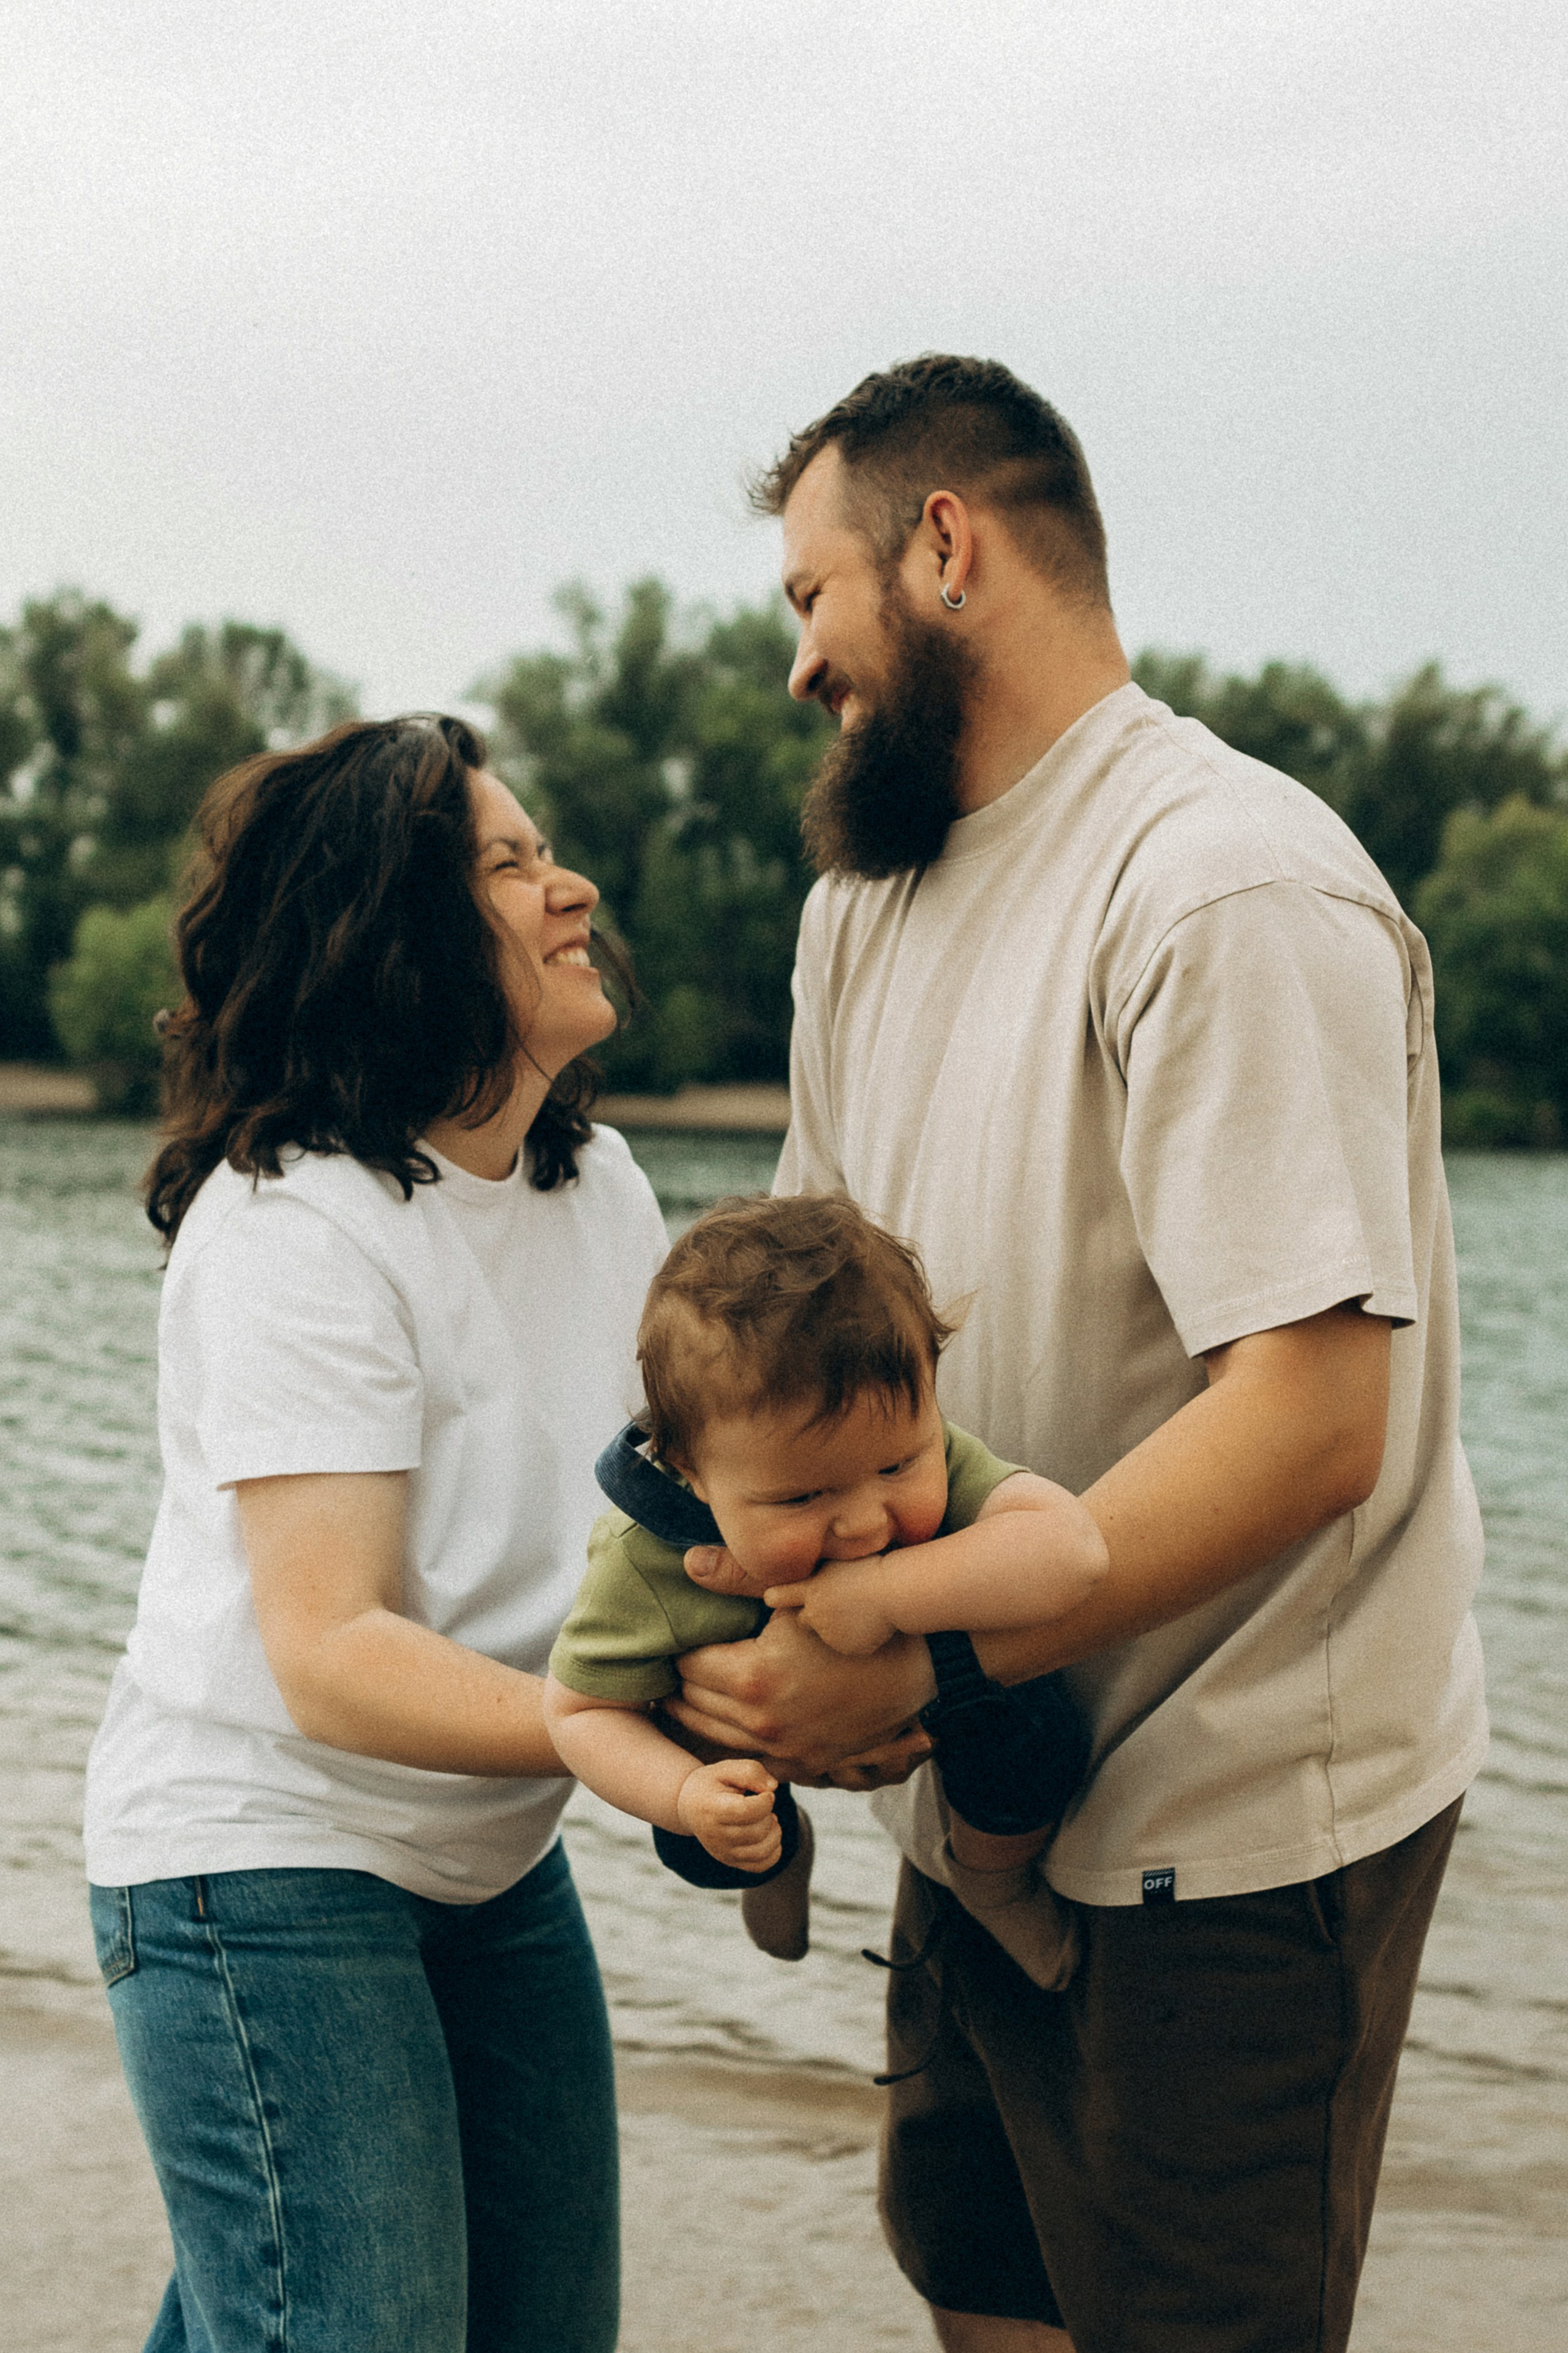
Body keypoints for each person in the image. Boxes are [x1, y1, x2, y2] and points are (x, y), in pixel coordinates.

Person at [659, 356, 1488, 2353]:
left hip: (1232, 1836)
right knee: (991, 2301)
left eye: (810, 600)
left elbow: (1309, 1430)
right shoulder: (869, 906)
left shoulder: (1224, 881)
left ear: (943, 548)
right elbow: (791, 1336)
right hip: (979, 1804)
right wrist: (724, 1642)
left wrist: (903, 1642)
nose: (799, 668)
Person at [82, 715, 671, 2353]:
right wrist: (619, 1737)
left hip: (485, 1852)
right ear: (394, 929)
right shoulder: (296, 1225)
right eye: (514, 863)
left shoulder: (603, 1191)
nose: (573, 892)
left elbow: (676, 1523)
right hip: (254, 1854)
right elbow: (332, 1650)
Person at [543, 1192, 1104, 1978]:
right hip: (740, 1742)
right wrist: (685, 1794)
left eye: (897, 1467)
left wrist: (885, 1593)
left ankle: (990, 1877)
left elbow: (1072, 1549)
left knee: (1040, 1732)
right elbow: (577, 1711)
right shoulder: (644, 1558)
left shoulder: (927, 1450)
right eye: (802, 1498)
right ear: (691, 1474)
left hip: (939, 1706)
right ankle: (780, 1861)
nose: (864, 1523)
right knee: (701, 1840)